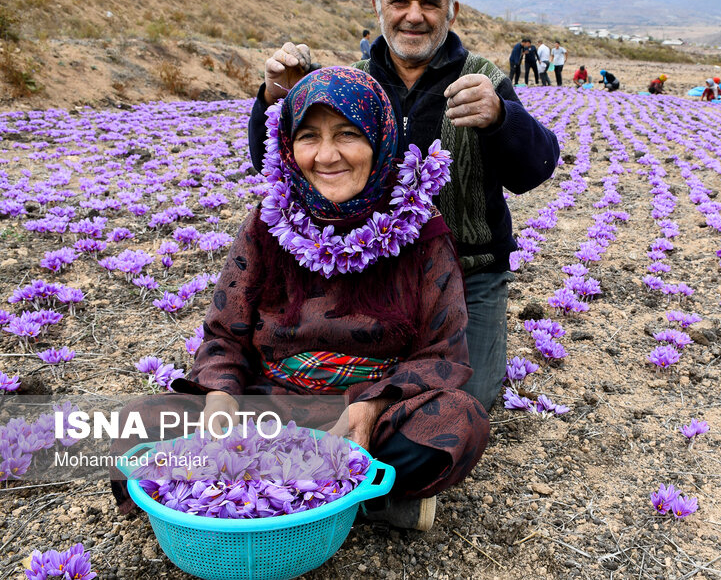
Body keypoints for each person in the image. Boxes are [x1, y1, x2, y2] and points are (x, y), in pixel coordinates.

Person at [113, 67, 490, 531]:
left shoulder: (420, 229)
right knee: (137, 422)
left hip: (369, 409)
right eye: (309, 137)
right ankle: (355, 502)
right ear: (289, 147)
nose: (327, 156)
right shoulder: (268, 223)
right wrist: (220, 397)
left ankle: (252, 494)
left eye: (348, 134)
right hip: (269, 406)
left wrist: (368, 408)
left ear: (381, 140)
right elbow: (223, 334)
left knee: (458, 419)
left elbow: (442, 351)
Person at [247, 0, 560, 412]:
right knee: (329, 391)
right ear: (378, 7)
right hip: (374, 272)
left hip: (470, 271)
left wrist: (500, 118)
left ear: (451, 12)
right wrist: (278, 97)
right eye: (399, 1)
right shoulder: (353, 83)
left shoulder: (485, 79)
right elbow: (276, 162)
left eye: (430, 3)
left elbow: (534, 170)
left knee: (458, 401)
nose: (414, 15)